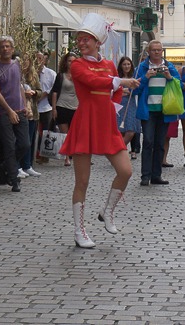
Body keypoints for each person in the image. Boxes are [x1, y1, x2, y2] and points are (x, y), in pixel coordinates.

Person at [59, 13, 140, 248]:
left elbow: (112, 88)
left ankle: (107, 211)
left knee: (125, 171)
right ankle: (79, 230)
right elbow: (96, 83)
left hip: (106, 123)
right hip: (85, 122)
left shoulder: (108, 64)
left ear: (98, 42)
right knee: (82, 181)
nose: (82, 42)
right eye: (80, 39)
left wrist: (113, 105)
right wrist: (120, 82)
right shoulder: (76, 64)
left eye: (87, 39)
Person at [133, 40, 179, 186]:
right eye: (154, 50)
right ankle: (145, 176)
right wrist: (146, 78)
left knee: (160, 143)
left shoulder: (169, 66)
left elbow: (179, 85)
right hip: (148, 110)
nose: (157, 53)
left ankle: (156, 175)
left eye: (159, 50)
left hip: (165, 110)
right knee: (148, 141)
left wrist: (169, 77)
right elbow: (135, 89)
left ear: (162, 51)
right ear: (148, 52)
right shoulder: (142, 67)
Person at [0, 36, 30, 192]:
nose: (5, 49)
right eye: (2, 47)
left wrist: (25, 105)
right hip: (4, 113)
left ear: (12, 49)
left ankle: (7, 164)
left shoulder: (16, 65)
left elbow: (19, 86)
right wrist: (9, 111)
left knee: (25, 144)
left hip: (20, 110)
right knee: (9, 146)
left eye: (7, 46)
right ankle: (14, 179)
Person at [50, 52, 78, 166]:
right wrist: (54, 108)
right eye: (69, 61)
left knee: (74, 133)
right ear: (66, 62)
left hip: (76, 107)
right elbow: (55, 92)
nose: (71, 63)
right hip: (62, 106)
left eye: (74, 61)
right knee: (65, 134)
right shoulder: (60, 75)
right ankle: (67, 157)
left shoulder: (80, 75)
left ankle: (74, 154)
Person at [18, 53, 41, 178]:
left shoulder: (33, 75)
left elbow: (40, 91)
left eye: (27, 60)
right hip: (20, 110)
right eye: (22, 60)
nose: (24, 62)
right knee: (21, 140)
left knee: (30, 140)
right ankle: (18, 166)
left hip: (32, 110)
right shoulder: (15, 73)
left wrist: (34, 93)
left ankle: (28, 165)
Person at [116, 56, 141, 158]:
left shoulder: (135, 76)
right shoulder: (117, 77)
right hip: (119, 104)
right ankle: (120, 153)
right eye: (124, 64)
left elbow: (138, 89)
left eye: (128, 64)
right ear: (121, 66)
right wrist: (121, 91)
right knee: (120, 130)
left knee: (131, 130)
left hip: (131, 104)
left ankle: (118, 149)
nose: (126, 66)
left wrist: (132, 89)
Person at [35, 52, 56, 164]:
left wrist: (41, 96)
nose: (38, 60)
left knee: (46, 132)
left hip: (46, 107)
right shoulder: (29, 73)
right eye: (36, 58)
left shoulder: (51, 73)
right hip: (33, 108)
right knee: (35, 132)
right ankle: (36, 154)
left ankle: (44, 155)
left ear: (44, 60)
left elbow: (53, 90)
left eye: (40, 58)